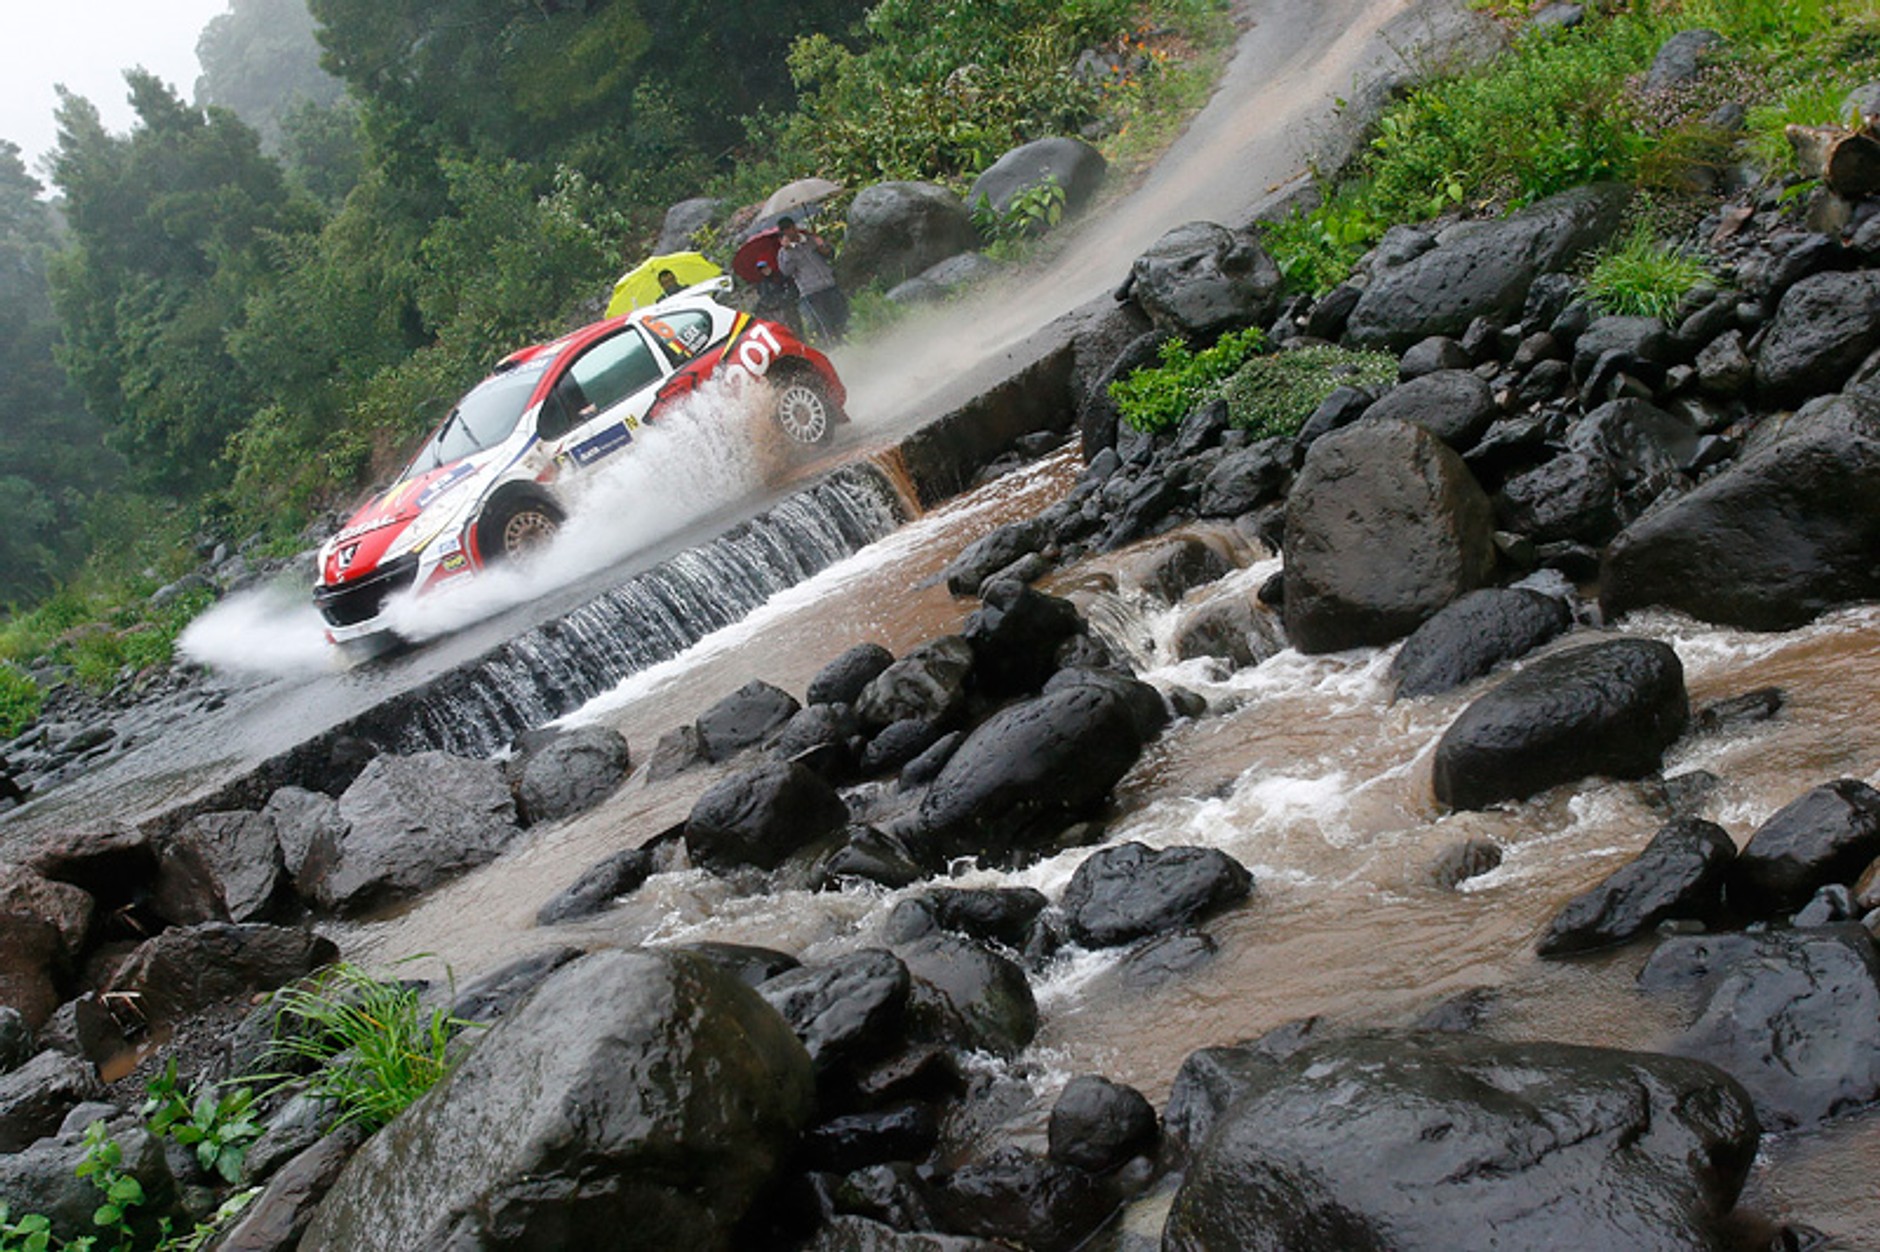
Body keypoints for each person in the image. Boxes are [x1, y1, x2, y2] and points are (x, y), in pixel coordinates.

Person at [775, 216, 849, 345]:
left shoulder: (810, 240)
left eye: (790, 228)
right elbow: (786, 271)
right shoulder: (783, 253)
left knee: (842, 316)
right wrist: (787, 251)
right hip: (811, 292)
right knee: (824, 325)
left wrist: (822, 245)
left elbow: (830, 254)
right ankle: (835, 346)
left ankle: (850, 340)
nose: (789, 232)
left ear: (794, 227)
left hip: (829, 284)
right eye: (785, 231)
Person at [750, 259, 802, 336]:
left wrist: (787, 298)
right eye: (762, 269)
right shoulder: (762, 284)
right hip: (776, 313)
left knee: (796, 329)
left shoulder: (783, 277)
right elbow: (764, 299)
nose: (765, 270)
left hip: (789, 308)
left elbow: (793, 290)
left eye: (766, 267)